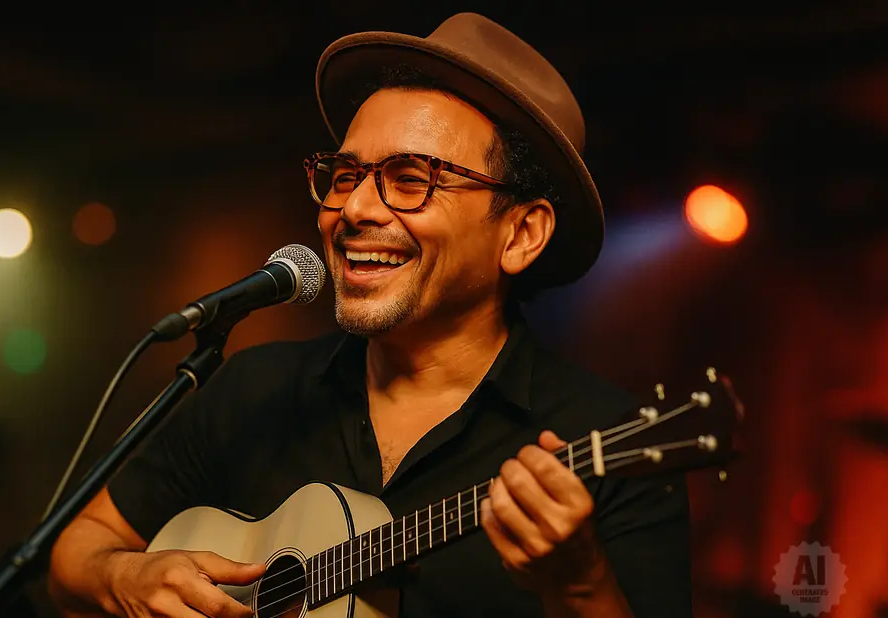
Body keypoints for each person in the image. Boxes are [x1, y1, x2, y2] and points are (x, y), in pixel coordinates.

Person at [48, 12, 692, 618]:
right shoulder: (256, 389)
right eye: (345, 174)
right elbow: (76, 549)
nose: (354, 208)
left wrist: (581, 587)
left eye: (411, 178)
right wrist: (122, 576)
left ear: (521, 234)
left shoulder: (608, 438)